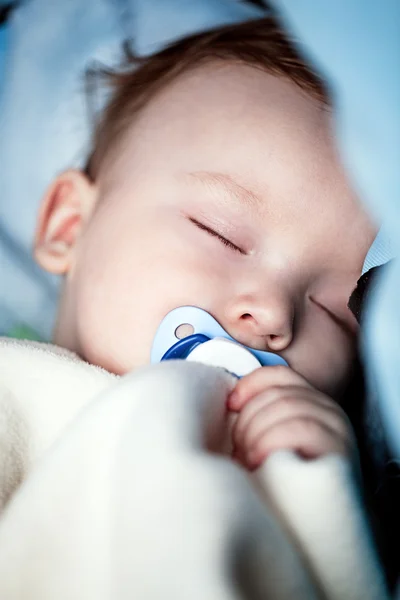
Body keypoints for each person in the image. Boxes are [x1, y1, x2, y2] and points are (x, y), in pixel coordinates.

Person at [33, 17, 376, 472]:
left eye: (335, 312)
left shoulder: (294, 481)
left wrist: (318, 480)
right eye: (221, 234)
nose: (273, 313)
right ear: (70, 226)